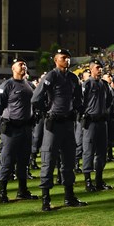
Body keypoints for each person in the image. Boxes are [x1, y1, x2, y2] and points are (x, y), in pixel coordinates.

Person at [30, 48, 87, 211]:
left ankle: (69, 196)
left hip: (68, 124)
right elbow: (36, 99)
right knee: (49, 160)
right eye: (63, 57)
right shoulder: (51, 76)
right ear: (56, 60)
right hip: (53, 124)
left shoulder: (73, 78)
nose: (67, 60)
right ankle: (45, 199)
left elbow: (78, 99)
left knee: (69, 161)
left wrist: (78, 110)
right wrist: (46, 111)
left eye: (68, 57)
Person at [0, 57, 39, 204]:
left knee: (24, 161)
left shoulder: (30, 85)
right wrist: (8, 117)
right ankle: (3, 192)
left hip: (26, 128)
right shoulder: (7, 85)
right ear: (13, 68)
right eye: (20, 64)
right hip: (12, 129)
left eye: (25, 64)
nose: (23, 66)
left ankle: (22, 190)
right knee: (7, 160)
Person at [80, 59, 114, 192]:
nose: (100, 70)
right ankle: (88, 181)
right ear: (91, 69)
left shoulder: (105, 85)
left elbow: (109, 100)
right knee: (88, 151)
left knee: (101, 151)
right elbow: (81, 102)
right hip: (91, 122)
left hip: (102, 122)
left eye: (101, 67)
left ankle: (99, 180)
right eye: (97, 67)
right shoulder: (87, 84)